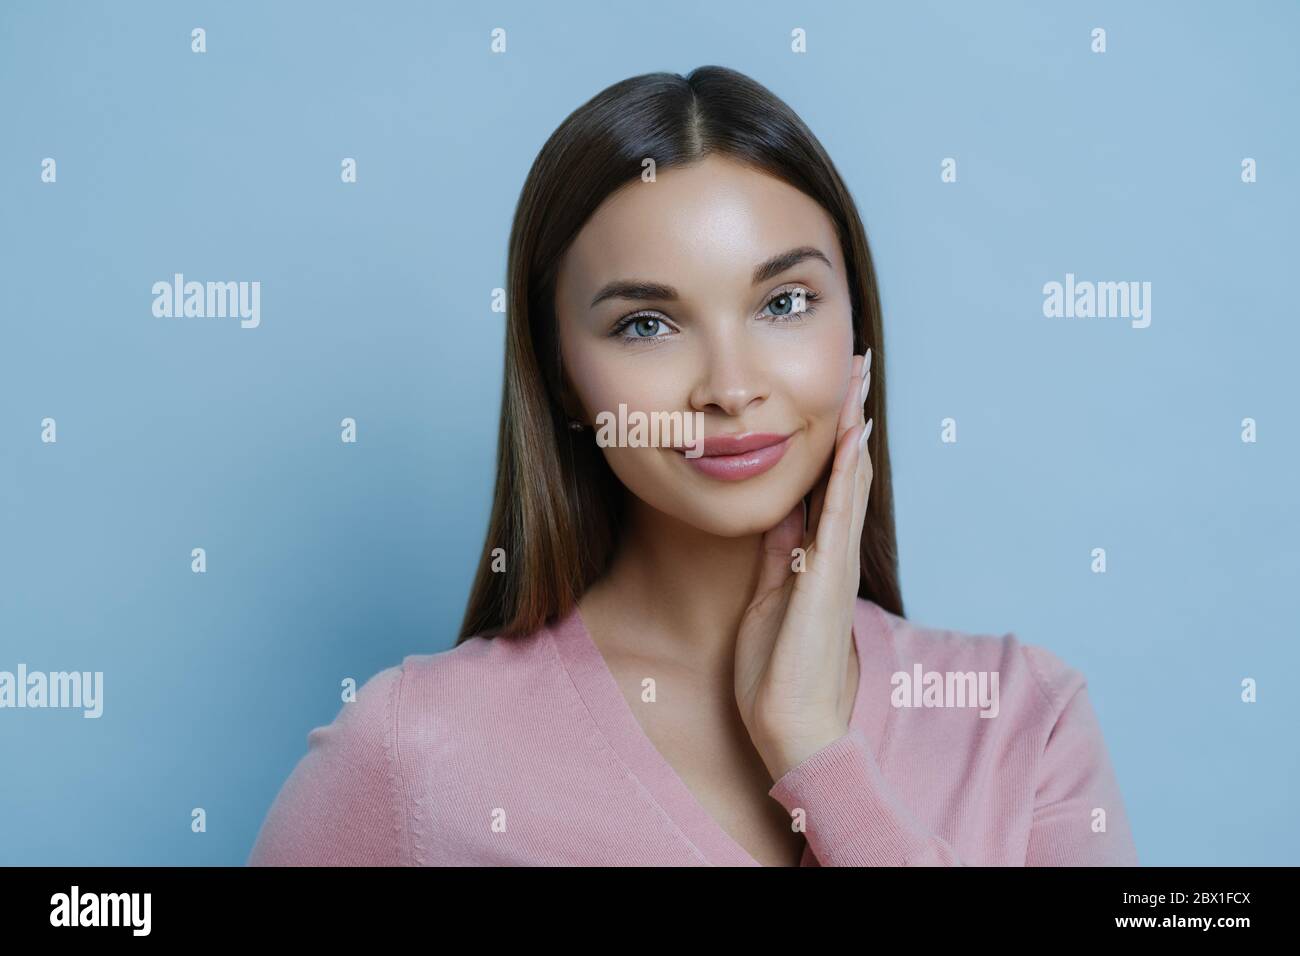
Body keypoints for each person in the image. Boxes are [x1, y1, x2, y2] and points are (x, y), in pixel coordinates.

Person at [248, 65, 1138, 867]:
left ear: (857, 334)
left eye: (785, 303)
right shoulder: (414, 753)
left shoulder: (1022, 720)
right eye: (646, 323)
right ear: (561, 377)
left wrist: (816, 756)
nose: (731, 387)